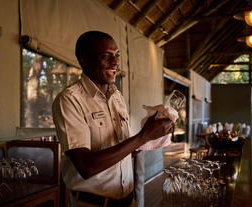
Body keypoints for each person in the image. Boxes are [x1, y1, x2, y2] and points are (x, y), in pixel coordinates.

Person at [52, 31, 173, 207]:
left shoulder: (117, 97)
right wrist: (143, 137)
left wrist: (152, 131)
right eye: (105, 56)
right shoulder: (70, 99)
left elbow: (126, 148)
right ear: (84, 60)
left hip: (128, 201)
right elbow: (86, 166)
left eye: (116, 55)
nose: (115, 62)